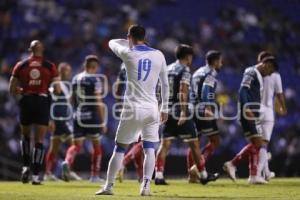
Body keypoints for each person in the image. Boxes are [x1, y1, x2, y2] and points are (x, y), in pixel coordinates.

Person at [95, 24, 169, 196]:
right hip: (152, 108)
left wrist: (127, 40)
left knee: (120, 148)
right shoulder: (159, 54)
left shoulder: (128, 53)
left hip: (132, 108)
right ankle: (146, 187)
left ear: (130, 37)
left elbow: (112, 42)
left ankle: (109, 186)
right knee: (150, 148)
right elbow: (165, 84)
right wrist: (164, 107)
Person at [154, 44, 218, 185]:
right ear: (188, 57)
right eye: (191, 57)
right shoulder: (185, 70)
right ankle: (203, 175)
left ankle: (158, 175)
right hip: (180, 111)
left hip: (167, 111)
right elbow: (183, 91)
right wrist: (183, 112)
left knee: (164, 145)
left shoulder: (167, 69)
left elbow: (159, 90)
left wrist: (161, 108)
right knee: (194, 144)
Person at [9, 40, 61, 185]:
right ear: (42, 49)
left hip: (26, 101)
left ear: (29, 49)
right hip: (42, 102)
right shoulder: (50, 66)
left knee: (25, 136)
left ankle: (25, 167)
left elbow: (11, 89)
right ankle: (36, 176)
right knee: (39, 140)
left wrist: (23, 89)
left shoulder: (21, 65)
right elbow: (57, 90)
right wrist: (48, 89)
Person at [223, 56, 278, 184]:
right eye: (270, 71)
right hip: (248, 112)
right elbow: (242, 91)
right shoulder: (251, 72)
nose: (269, 74)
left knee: (255, 144)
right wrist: (247, 109)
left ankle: (253, 176)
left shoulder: (257, 74)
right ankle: (232, 163)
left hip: (252, 112)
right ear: (267, 65)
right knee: (258, 143)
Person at [61, 55, 107, 182]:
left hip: (78, 115)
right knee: (97, 146)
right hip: (92, 116)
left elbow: (71, 98)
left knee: (76, 146)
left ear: (84, 65)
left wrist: (72, 113)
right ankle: (94, 175)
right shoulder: (95, 79)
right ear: (95, 67)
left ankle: (67, 161)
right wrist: (103, 121)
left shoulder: (76, 78)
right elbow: (98, 100)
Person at [187, 50, 223, 183]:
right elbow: (207, 89)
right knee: (215, 141)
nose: (221, 64)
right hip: (202, 110)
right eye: (220, 61)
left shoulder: (197, 72)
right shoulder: (211, 72)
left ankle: (192, 176)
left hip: (192, 110)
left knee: (194, 143)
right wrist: (208, 107)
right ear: (214, 62)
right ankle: (196, 167)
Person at [44, 62, 81, 181]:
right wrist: (50, 120)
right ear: (61, 71)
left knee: (54, 147)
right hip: (59, 119)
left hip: (64, 119)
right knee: (73, 144)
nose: (69, 73)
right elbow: (51, 103)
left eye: (69, 71)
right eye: (66, 71)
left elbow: (68, 102)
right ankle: (68, 170)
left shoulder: (65, 85)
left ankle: (48, 173)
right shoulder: (56, 84)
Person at [257, 51, 286, 181]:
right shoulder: (275, 75)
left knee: (258, 144)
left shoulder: (254, 72)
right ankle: (257, 173)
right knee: (264, 144)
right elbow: (279, 94)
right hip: (267, 111)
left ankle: (266, 172)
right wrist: (283, 108)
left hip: (254, 110)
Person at [114, 64, 144, 183]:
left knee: (135, 141)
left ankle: (141, 175)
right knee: (144, 141)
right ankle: (123, 162)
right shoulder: (145, 62)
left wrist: (120, 105)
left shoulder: (124, 64)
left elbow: (117, 88)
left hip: (128, 107)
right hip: (142, 105)